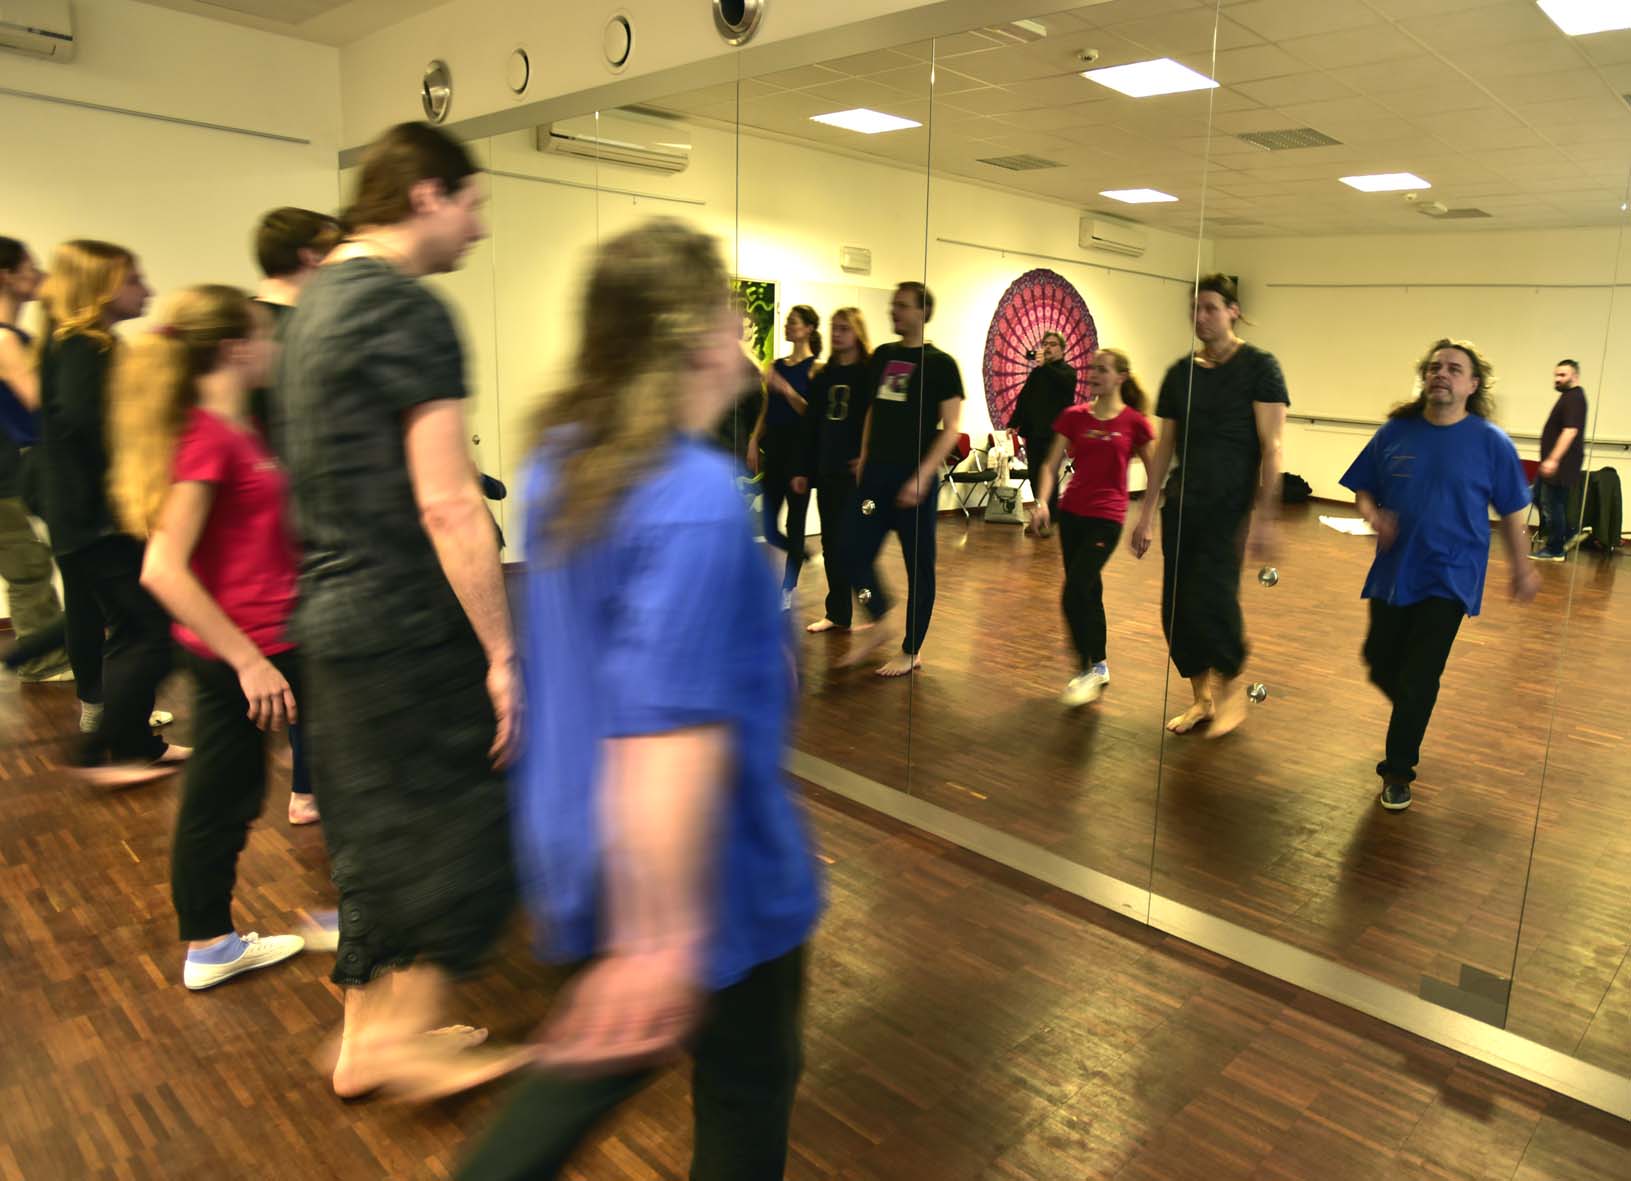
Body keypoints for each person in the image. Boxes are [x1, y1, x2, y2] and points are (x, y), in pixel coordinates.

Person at [458, 217, 821, 1181]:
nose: (740, 338)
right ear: (698, 334)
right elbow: (664, 734)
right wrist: (661, 939)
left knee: (589, 1070)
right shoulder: (695, 494)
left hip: (580, 842)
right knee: (743, 1088)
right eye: (727, 315)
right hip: (701, 865)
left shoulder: (558, 461)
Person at [279, 122, 520, 1101]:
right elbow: (449, 501)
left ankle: (363, 1038)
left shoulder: (310, 306)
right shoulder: (408, 309)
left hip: (330, 620)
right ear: (426, 195)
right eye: (472, 204)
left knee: (371, 840)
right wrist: (501, 652)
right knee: (468, 829)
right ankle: (403, 1039)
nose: (479, 227)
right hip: (405, 621)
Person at [107, 285, 308, 987]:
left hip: (271, 639)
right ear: (233, 349)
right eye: (264, 334)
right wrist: (249, 661)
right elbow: (163, 569)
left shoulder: (235, 427)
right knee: (223, 797)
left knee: (236, 791)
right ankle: (211, 944)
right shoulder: (207, 436)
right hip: (248, 650)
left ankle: (219, 941)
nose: (274, 347)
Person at [1341, 339, 1538, 812]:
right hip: (1395, 570)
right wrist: (1373, 515)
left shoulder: (1490, 442)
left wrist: (1522, 566)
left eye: (1453, 368)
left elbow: (1513, 513)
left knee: (1420, 674)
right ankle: (1414, 708)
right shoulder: (1396, 431)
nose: (1441, 374)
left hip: (1451, 574)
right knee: (1378, 660)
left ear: (1472, 385)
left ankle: (1398, 770)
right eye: (1434, 367)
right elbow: (1363, 488)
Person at [37, 240, 188, 785]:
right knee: (151, 630)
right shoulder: (86, 348)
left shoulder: (70, 344)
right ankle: (113, 749)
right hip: (97, 518)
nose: (145, 289)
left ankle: (125, 744)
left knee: (135, 628)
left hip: (84, 515)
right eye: (133, 280)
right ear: (102, 288)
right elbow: (86, 424)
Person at [1132, 274, 1287, 738]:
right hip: (1184, 502)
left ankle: (1232, 690)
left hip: (1229, 506)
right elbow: (1165, 447)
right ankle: (1202, 699)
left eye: (1211, 308)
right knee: (1177, 606)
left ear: (1233, 311)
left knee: (1215, 599)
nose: (1201, 317)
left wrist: (1267, 517)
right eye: (1195, 308)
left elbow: (1272, 445)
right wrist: (1145, 513)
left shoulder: (1260, 366)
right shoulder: (1180, 372)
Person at [249, 206, 343, 826]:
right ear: (310, 256)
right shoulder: (306, 330)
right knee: (313, 654)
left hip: (264, 517)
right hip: (305, 514)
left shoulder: (243, 322)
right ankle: (309, 787)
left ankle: (306, 783)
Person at [844, 281, 964, 677]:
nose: (893, 311)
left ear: (923, 312)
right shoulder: (884, 355)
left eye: (902, 306)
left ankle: (912, 649)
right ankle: (879, 619)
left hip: (914, 480)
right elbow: (873, 410)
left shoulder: (942, 364)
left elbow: (951, 428)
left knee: (919, 568)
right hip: (876, 476)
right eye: (893, 305)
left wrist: (922, 475)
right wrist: (865, 454)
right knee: (852, 552)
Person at [1030, 348, 1154, 707]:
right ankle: (1098, 665)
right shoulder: (1074, 416)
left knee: (1075, 590)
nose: (1093, 374)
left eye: (1102, 369)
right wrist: (1042, 502)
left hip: (1107, 517)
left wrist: (1146, 520)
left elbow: (1156, 473)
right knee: (1089, 591)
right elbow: (1049, 465)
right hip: (1072, 514)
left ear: (1121, 377)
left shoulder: (1135, 422)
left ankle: (1085, 668)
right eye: (1092, 368)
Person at [0, 236, 71, 683]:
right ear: (6, 276)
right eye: (31, 267)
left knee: (31, 565)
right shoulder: (5, 340)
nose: (40, 275)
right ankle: (45, 664)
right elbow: (44, 406)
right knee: (28, 569)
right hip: (7, 476)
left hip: (15, 472)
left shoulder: (14, 336)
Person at [792, 306, 871, 634]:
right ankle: (838, 612)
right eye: (834, 328)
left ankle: (873, 609)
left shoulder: (868, 373)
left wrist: (868, 457)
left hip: (858, 475)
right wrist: (802, 469)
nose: (837, 334)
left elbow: (878, 420)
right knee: (831, 544)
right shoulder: (824, 377)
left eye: (844, 328)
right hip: (828, 470)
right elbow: (810, 426)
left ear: (857, 332)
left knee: (854, 543)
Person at [747, 304, 819, 604]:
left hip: (799, 453)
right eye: (787, 321)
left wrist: (787, 390)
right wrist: (753, 440)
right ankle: (802, 552)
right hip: (775, 450)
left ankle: (787, 589)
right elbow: (767, 410)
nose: (788, 325)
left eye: (793, 322)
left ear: (808, 329)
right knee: (767, 525)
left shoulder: (816, 369)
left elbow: (810, 413)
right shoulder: (776, 365)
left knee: (795, 524)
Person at [1007, 330, 1077, 530]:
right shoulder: (1038, 372)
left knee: (1049, 474)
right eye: (1045, 344)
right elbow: (1024, 398)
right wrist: (1013, 422)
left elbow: (1063, 384)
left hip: (1054, 432)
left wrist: (1045, 366)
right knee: (1033, 474)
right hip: (1034, 430)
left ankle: (1050, 518)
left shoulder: (1067, 372)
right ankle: (1040, 514)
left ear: (1063, 349)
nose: (1047, 347)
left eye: (1052, 344)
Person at [1530, 359, 1589, 563]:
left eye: (1562, 375)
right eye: (1556, 375)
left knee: (1551, 503)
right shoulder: (1569, 397)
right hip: (1555, 462)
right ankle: (1570, 531)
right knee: (1537, 496)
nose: (1557, 379)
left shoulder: (1574, 398)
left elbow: (1570, 430)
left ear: (1575, 376)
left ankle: (1555, 549)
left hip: (1562, 463)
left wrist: (1554, 459)